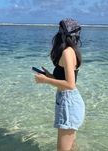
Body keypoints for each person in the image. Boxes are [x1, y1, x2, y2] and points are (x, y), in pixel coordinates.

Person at [34, 18, 85, 151]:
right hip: (70, 101)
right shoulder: (72, 51)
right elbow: (66, 79)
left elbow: (70, 84)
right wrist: (50, 76)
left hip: (68, 103)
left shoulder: (67, 52)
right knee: (71, 146)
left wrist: (45, 81)